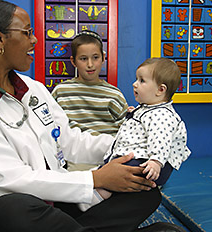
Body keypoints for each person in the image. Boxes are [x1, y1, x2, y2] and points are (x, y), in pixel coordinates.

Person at [0, 0, 185, 232]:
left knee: (143, 191)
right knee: (11, 211)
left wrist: (129, 152)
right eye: (27, 32)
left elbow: (68, 141)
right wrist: (96, 178)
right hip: (18, 204)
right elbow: (12, 178)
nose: (34, 40)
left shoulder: (33, 89)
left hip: (62, 198)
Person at [79, 57, 191, 212]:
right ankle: (94, 189)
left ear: (160, 90)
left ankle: (96, 197)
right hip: (140, 158)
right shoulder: (148, 109)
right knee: (108, 169)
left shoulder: (162, 115)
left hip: (147, 164)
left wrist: (156, 161)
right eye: (136, 79)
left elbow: (161, 139)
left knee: (118, 174)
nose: (135, 84)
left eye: (142, 81)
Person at [52, 30, 128, 171]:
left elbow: (126, 131)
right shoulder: (61, 91)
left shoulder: (114, 94)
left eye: (95, 57)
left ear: (103, 58)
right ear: (73, 61)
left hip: (110, 157)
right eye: (83, 59)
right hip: (77, 158)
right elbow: (52, 127)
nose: (90, 64)